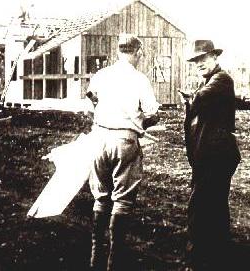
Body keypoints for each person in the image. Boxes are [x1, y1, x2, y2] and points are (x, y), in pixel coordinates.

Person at [86, 33, 159, 271]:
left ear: (118, 52)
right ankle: (114, 263)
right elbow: (152, 114)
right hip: (123, 140)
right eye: (140, 54)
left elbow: (89, 105)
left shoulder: (101, 75)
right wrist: (139, 125)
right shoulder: (139, 79)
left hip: (99, 138)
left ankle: (96, 259)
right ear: (137, 53)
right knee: (123, 202)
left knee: (101, 198)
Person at [179, 40, 241, 270]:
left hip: (215, 156)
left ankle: (196, 259)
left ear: (215, 57)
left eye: (203, 59)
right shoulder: (210, 82)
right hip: (211, 156)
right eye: (195, 61)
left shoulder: (222, 80)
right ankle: (218, 256)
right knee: (214, 205)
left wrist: (188, 99)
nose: (199, 64)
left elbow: (200, 99)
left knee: (200, 205)